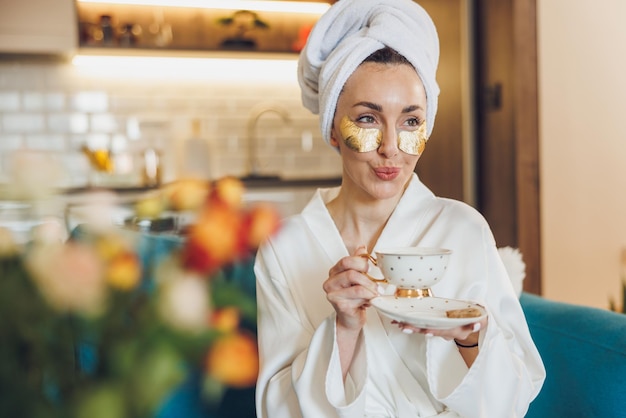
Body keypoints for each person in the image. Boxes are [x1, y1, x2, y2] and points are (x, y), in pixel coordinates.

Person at [254, 0, 546, 417]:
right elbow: (275, 409)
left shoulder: (463, 229)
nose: (391, 147)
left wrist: (470, 338)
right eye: (368, 119)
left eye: (410, 122)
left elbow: (514, 400)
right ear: (334, 131)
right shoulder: (286, 246)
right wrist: (343, 331)